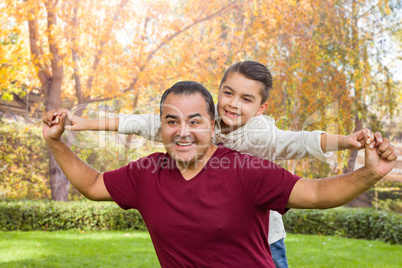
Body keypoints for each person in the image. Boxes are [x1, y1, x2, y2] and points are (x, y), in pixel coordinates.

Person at [45, 61, 386, 268]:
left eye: (247, 99)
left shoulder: (258, 148)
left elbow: (307, 161)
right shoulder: (153, 166)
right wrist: (70, 130)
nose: (234, 104)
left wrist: (353, 148)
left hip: (266, 234)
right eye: (228, 93)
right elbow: (123, 137)